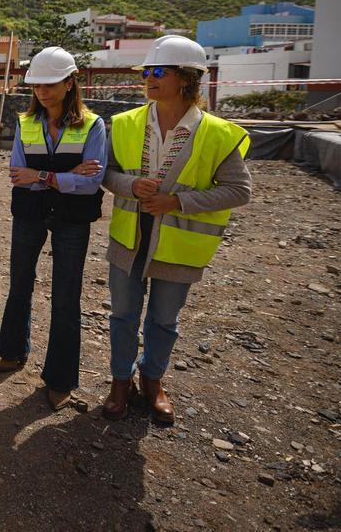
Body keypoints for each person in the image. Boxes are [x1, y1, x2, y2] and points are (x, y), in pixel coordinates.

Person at [100, 35, 252, 425]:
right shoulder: (124, 124)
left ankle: (153, 381)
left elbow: (239, 190)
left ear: (186, 78)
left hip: (179, 244)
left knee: (165, 319)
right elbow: (106, 174)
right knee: (122, 315)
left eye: (157, 72)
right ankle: (120, 382)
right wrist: (129, 186)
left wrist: (178, 202)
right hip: (129, 236)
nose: (148, 79)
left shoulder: (219, 134)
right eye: (147, 72)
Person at [0, 47, 106, 410]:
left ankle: (60, 379)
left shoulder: (93, 126)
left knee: (66, 295)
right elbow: (17, 176)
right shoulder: (27, 124)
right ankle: (12, 351)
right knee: (20, 283)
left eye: (50, 83)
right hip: (29, 212)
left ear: (70, 82)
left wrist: (41, 176)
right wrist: (66, 177)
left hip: (72, 219)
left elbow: (92, 182)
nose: (42, 91)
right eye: (37, 84)